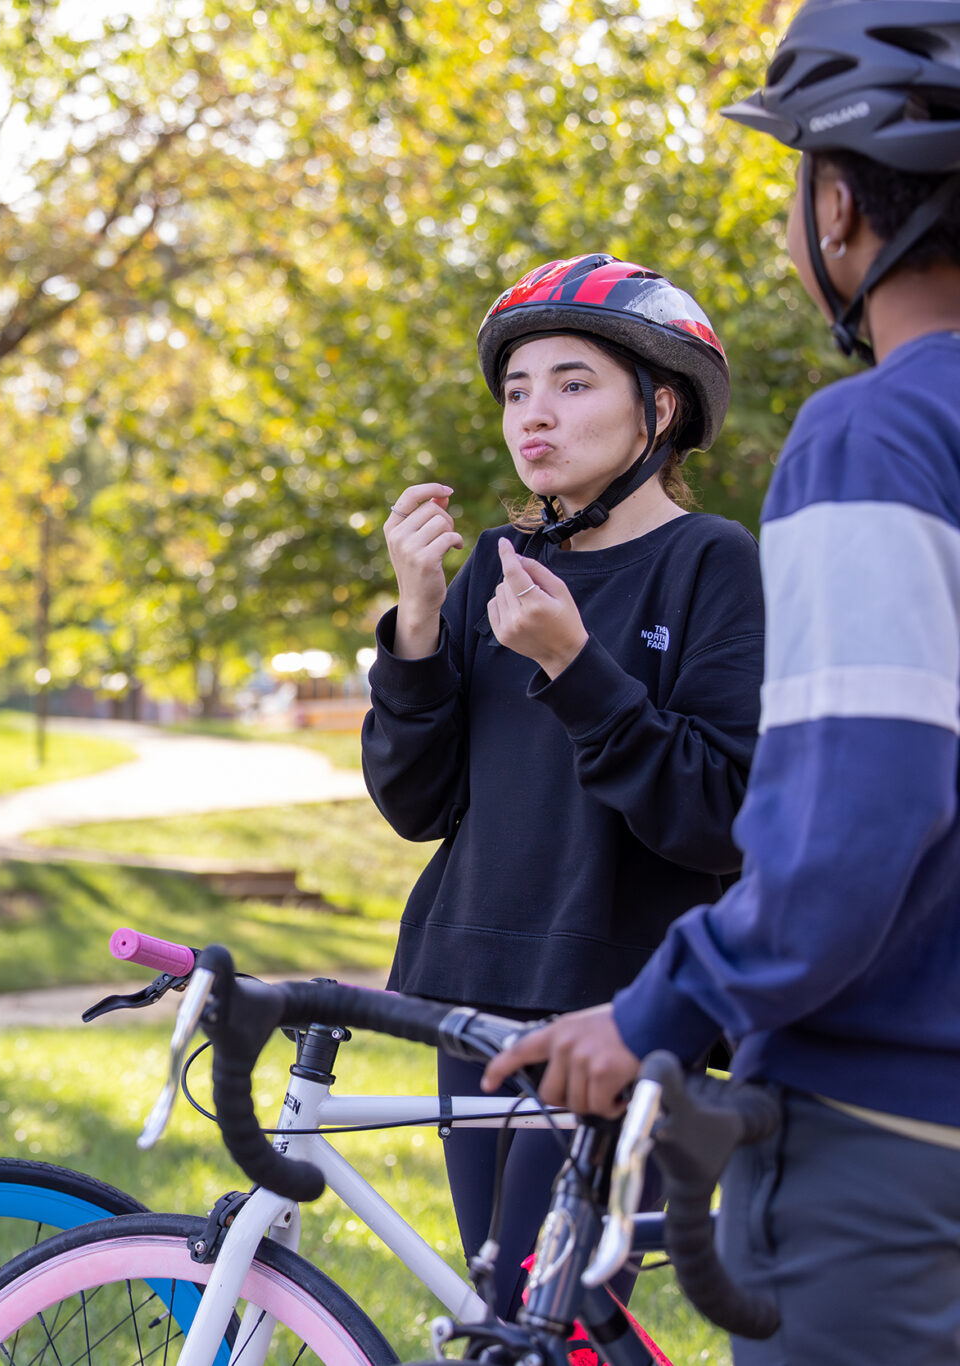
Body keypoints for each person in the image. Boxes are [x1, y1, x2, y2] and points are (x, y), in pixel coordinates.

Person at [486, 5, 960, 1361]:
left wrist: (665, 1006)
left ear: (847, 210)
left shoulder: (881, 432)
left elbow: (852, 818)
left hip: (891, 1142)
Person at [362, 254, 764, 1318]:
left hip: (612, 1000)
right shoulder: (493, 569)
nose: (533, 413)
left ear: (658, 406)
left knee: (552, 1316)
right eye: (515, 389)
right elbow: (413, 804)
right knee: (501, 1314)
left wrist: (573, 666)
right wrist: (414, 620)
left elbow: (718, 811)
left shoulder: (710, 562)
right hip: (465, 983)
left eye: (572, 383)